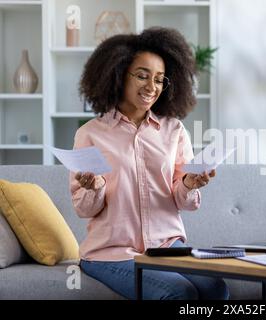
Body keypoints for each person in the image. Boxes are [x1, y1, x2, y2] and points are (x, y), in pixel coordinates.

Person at [70, 27, 229, 300]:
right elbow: (84, 208)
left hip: (168, 246)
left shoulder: (174, 130)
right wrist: (95, 187)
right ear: (119, 75)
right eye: (142, 76)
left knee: (216, 288)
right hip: (112, 253)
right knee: (178, 293)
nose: (151, 87)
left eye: (159, 79)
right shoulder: (90, 134)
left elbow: (185, 203)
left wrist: (189, 184)